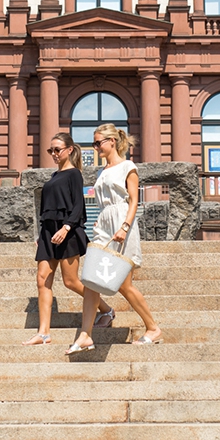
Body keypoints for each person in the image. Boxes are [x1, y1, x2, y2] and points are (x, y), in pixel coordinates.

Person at [67, 123, 162, 354]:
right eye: (94, 143)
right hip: (104, 225)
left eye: (98, 142)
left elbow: (133, 200)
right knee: (91, 280)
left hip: (122, 222)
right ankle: (85, 335)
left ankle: (153, 328)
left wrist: (125, 226)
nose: (96, 147)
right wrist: (101, 220)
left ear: (111, 141)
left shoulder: (127, 166)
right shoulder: (103, 171)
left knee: (123, 283)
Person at [23, 132, 114, 345]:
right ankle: (43, 332)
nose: (54, 154)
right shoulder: (54, 177)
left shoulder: (74, 174)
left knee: (70, 281)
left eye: (57, 149)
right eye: (51, 150)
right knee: (42, 279)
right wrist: (42, 233)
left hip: (68, 231)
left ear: (69, 150)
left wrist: (66, 228)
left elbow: (78, 206)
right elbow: (45, 207)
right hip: (48, 232)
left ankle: (107, 310)